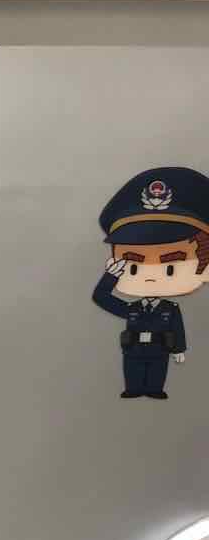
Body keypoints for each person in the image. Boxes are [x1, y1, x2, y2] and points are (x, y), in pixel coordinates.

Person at [92, 166, 209, 399]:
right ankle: (134, 389)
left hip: (159, 351)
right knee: (132, 373)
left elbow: (178, 329)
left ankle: (155, 390)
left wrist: (178, 350)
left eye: (170, 266)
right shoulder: (133, 309)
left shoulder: (170, 309)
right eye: (134, 264)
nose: (150, 276)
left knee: (157, 373)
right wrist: (110, 276)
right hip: (134, 351)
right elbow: (101, 298)